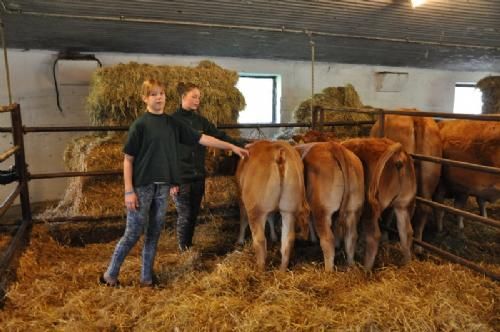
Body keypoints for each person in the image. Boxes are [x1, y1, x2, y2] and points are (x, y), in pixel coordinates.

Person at [100, 79, 248, 287]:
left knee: (154, 232)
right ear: (145, 98)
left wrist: (231, 147)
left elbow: (202, 138)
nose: (158, 97)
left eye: (161, 93)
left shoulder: (172, 123)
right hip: (142, 186)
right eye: (153, 94)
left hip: (162, 187)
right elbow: (128, 159)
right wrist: (128, 191)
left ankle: (146, 277)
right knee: (133, 232)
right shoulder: (140, 125)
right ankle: (110, 275)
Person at [171, 82, 248, 251]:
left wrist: (241, 143)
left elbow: (218, 135)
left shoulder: (200, 121)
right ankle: (183, 248)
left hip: (198, 174)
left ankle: (188, 244)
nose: (197, 100)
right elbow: (167, 151)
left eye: (199, 97)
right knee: (185, 213)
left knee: (194, 212)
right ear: (183, 97)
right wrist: (172, 181)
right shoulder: (173, 121)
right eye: (194, 97)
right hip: (180, 176)